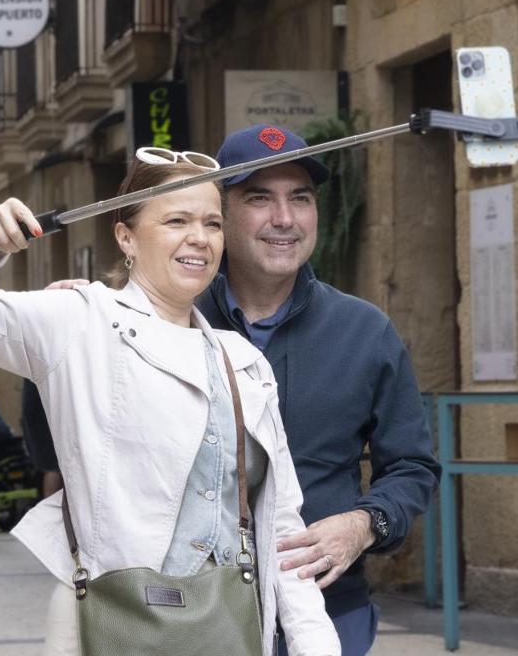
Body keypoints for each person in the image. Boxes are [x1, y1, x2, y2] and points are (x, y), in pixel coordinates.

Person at [0, 149, 339, 656]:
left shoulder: (242, 362)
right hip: (111, 623)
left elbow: (283, 528)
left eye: (211, 223)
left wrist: (315, 644)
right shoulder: (80, 319)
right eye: (176, 220)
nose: (198, 239)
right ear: (126, 237)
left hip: (226, 626)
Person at [195, 125, 439, 656]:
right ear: (221, 213)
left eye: (300, 198)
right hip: (194, 617)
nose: (284, 218)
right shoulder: (172, 324)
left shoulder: (366, 331)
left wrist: (363, 524)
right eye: (259, 198)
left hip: (330, 611)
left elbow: (413, 467)